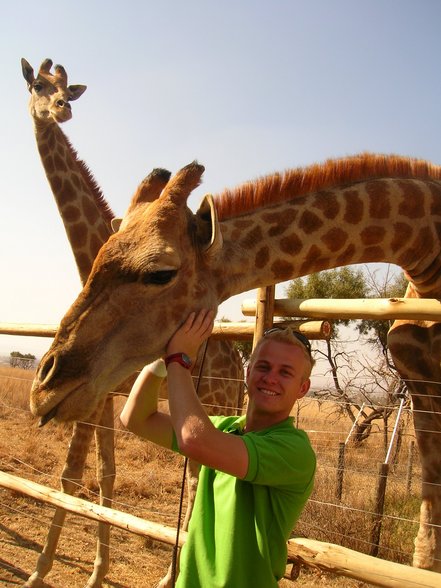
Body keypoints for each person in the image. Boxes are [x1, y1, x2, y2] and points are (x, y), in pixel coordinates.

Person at [120, 309, 316, 588]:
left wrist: (179, 359)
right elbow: (136, 418)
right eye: (263, 367)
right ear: (248, 373)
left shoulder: (294, 450)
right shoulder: (224, 429)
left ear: (303, 388)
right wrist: (161, 360)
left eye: (286, 373)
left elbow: (194, 440)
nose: (271, 378)